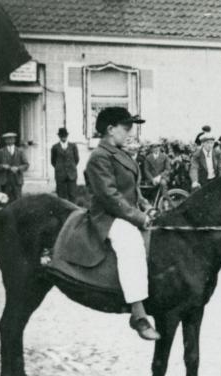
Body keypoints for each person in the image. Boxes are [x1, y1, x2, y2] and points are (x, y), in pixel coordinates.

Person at [84, 107, 159, 340]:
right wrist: (139, 218)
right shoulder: (99, 156)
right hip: (107, 215)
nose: (130, 133)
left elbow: (133, 190)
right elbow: (110, 197)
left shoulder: (120, 152)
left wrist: (147, 207)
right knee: (131, 243)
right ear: (110, 129)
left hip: (125, 211)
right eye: (126, 128)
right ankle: (138, 314)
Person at [0, 132, 29, 200]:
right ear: (5, 140)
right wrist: (2, 166)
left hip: (17, 180)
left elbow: (26, 164)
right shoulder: (0, 152)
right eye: (7, 139)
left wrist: (18, 168)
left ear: (14, 140)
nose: (10, 140)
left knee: (18, 200)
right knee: (4, 200)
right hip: (4, 181)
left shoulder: (20, 151)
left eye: (12, 138)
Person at [50, 127, 79, 202]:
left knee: (72, 194)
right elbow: (53, 161)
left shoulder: (73, 146)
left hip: (71, 174)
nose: (63, 138)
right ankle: (62, 212)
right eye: (62, 136)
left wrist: (71, 167)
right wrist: (60, 168)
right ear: (59, 136)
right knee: (61, 195)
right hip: (60, 174)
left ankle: (74, 211)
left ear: (67, 136)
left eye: (65, 136)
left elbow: (76, 159)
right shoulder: (55, 147)